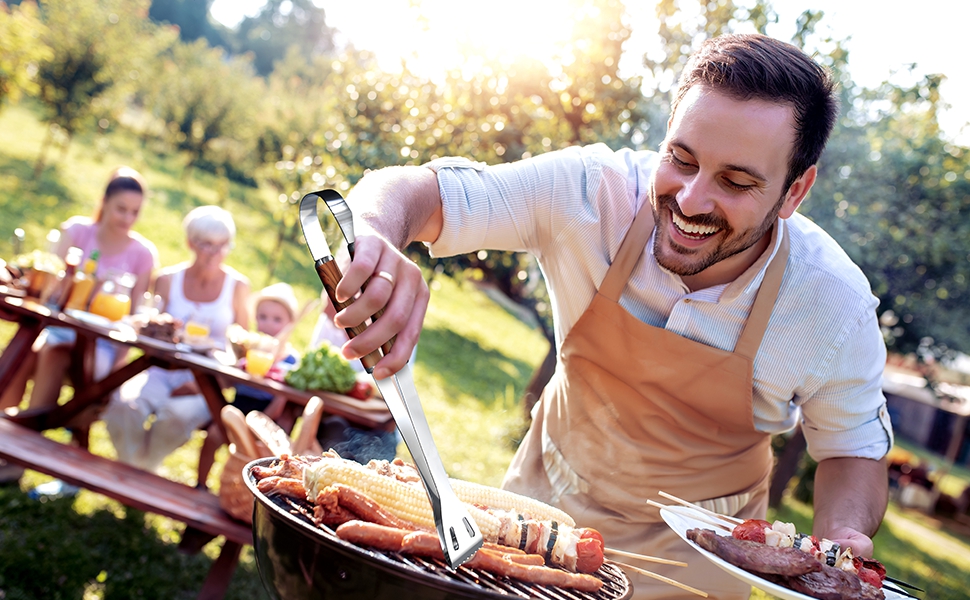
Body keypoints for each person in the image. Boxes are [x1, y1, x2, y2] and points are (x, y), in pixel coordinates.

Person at [326, 34, 894, 600]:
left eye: (736, 182)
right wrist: (374, 234)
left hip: (698, 566)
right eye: (682, 160)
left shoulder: (832, 307)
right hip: (539, 516)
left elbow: (853, 448)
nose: (692, 201)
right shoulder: (590, 193)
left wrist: (842, 533)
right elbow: (419, 190)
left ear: (795, 191)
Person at [0, 167, 158, 493]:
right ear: (104, 202)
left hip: (104, 345)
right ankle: (10, 445)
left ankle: (15, 450)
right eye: (121, 209)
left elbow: (135, 317)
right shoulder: (77, 232)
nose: (128, 217)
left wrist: (118, 368)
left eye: (135, 211)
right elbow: (51, 289)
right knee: (28, 354)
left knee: (49, 352)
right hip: (58, 328)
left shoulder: (143, 254)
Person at [102, 206, 250, 474]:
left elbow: (243, 350)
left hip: (206, 379)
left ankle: (141, 470)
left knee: (176, 416)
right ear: (190, 243)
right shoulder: (168, 280)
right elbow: (150, 328)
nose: (215, 253)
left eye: (222, 246)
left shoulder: (238, 286)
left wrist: (207, 382)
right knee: (125, 407)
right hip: (159, 369)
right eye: (206, 244)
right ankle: (136, 472)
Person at [196, 282, 299, 488]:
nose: (268, 324)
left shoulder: (290, 360)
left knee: (258, 456)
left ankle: (248, 496)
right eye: (262, 317)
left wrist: (264, 420)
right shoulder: (248, 349)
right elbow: (227, 384)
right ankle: (200, 484)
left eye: (277, 319)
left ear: (290, 324)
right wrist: (235, 365)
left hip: (266, 418)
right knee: (213, 437)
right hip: (236, 409)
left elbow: (284, 398)